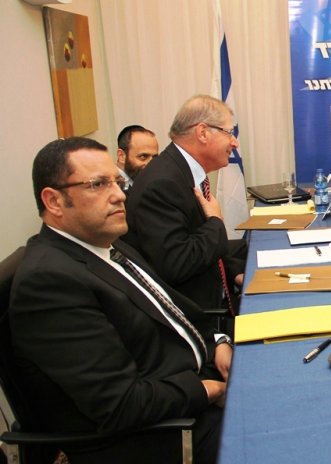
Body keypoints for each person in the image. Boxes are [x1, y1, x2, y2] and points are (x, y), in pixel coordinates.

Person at [10, 137, 230, 463]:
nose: (120, 194)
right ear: (54, 201)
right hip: (164, 433)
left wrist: (217, 341)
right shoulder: (48, 283)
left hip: (190, 385)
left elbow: (174, 310)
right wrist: (207, 390)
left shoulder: (109, 244)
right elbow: (121, 404)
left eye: (116, 181)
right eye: (98, 184)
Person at [123, 95, 247, 319]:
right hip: (197, 318)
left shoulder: (182, 171)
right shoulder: (163, 183)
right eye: (229, 133)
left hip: (214, 294)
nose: (235, 142)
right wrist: (215, 222)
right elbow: (178, 263)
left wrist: (234, 271)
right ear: (202, 132)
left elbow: (198, 241)